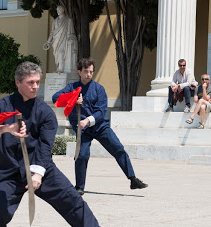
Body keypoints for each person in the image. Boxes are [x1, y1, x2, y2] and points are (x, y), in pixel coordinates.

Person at [0, 61, 121, 227]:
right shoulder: (2, 105)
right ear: (18, 82)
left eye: (38, 82)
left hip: (40, 167)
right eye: (31, 82)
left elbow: (45, 146)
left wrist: (38, 174)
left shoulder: (45, 112)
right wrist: (7, 128)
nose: (35, 87)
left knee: (71, 198)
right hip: (10, 169)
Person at [52, 58, 148, 196]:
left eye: (91, 72)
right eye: (86, 71)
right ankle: (79, 187)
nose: (89, 74)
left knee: (118, 149)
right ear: (79, 72)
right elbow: (56, 98)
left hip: (100, 127)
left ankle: (133, 179)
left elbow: (101, 112)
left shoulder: (99, 89)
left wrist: (87, 121)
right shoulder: (72, 87)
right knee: (82, 155)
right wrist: (72, 98)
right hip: (83, 130)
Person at [43, 5, 77, 73]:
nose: (58, 11)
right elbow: (52, 32)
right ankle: (59, 67)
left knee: (61, 52)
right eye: (57, 10)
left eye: (59, 9)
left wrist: (71, 39)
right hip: (56, 41)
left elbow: (71, 32)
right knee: (57, 55)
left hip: (64, 39)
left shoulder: (68, 20)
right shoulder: (55, 21)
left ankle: (61, 68)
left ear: (63, 10)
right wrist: (48, 42)